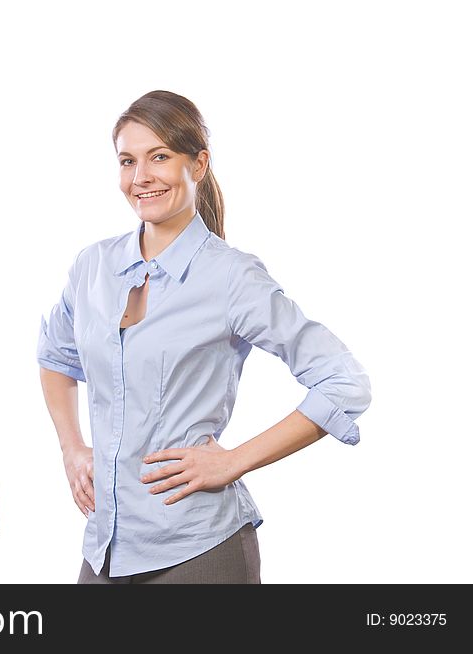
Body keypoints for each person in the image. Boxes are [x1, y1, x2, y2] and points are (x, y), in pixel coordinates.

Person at [37, 90, 370, 584]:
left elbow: (345, 383)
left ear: (198, 164)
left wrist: (234, 461)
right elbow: (55, 355)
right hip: (106, 546)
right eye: (127, 161)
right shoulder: (93, 266)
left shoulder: (232, 278)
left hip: (200, 552)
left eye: (160, 157)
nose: (140, 177)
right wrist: (72, 447)